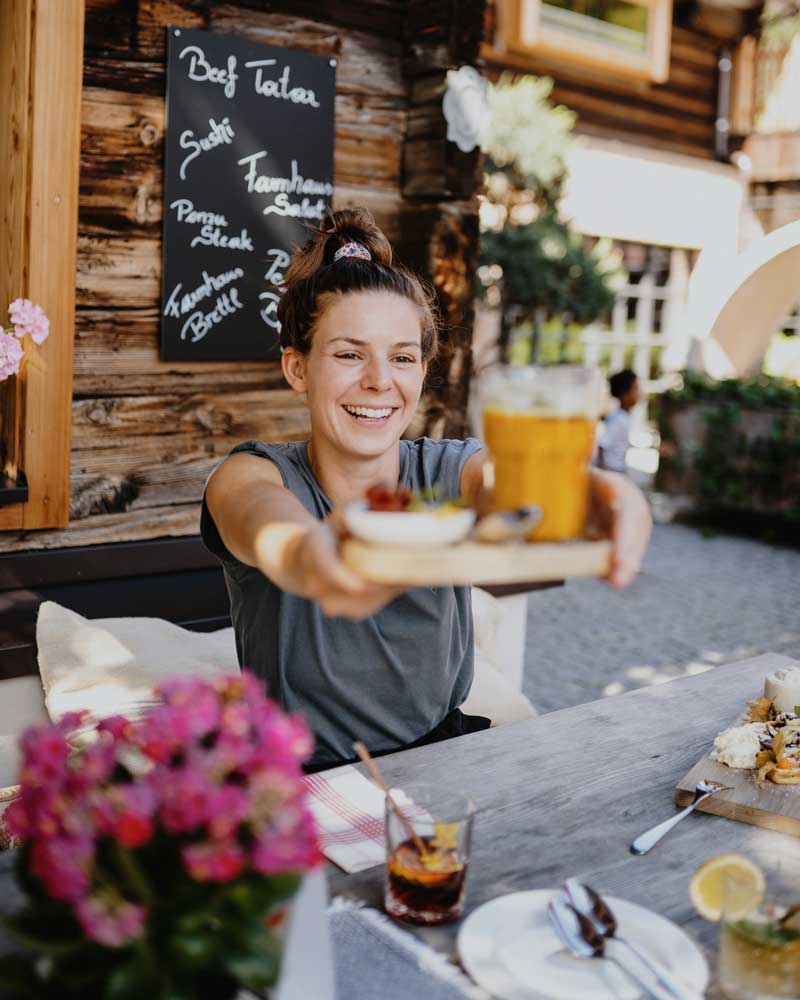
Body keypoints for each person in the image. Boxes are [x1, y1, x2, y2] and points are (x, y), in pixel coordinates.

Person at [202, 209, 652, 771]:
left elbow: (505, 485)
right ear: (297, 369)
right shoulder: (253, 473)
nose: (379, 380)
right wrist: (306, 555)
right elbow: (262, 520)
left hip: (447, 757)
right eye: (348, 353)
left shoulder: (451, 471)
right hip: (302, 780)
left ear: (420, 372)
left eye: (402, 357)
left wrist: (598, 492)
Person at [596, 368, 640, 475]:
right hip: (612, 469)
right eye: (636, 389)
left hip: (618, 468)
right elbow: (602, 445)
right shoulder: (618, 419)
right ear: (625, 395)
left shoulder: (624, 417)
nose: (639, 393)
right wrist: (603, 474)